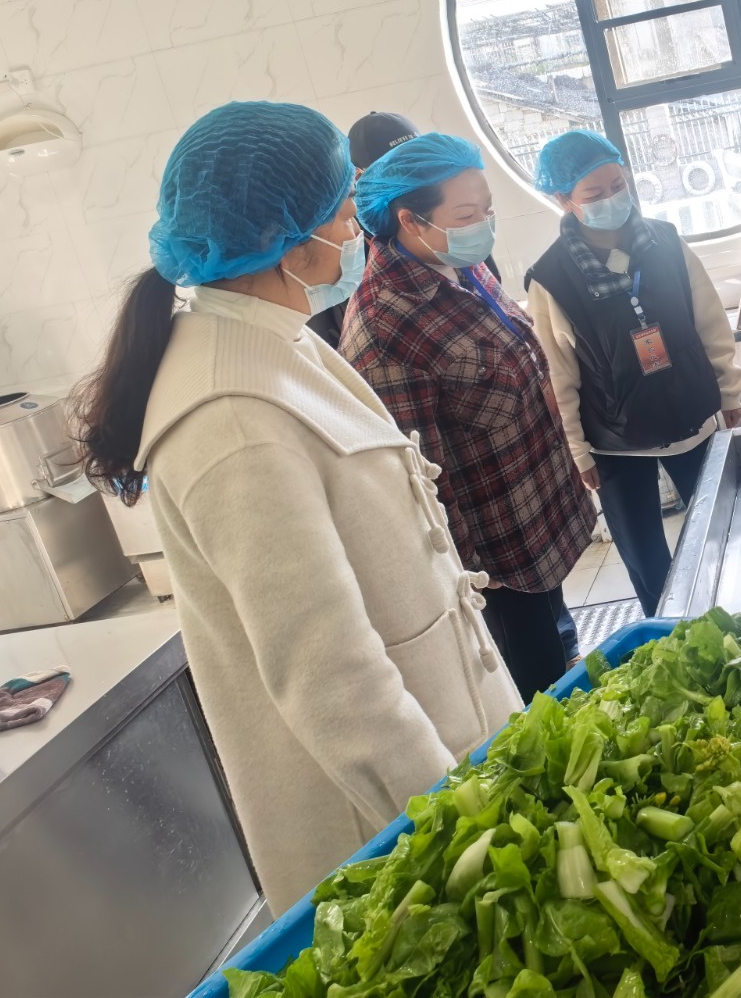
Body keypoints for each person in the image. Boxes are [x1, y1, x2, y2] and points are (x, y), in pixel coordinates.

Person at [72, 102, 517, 914]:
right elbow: (333, 681)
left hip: (449, 753)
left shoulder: (277, 338)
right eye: (345, 215)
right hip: (396, 829)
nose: (357, 236)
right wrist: (466, 833)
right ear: (285, 240)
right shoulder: (231, 418)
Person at [341, 133, 595, 697]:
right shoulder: (385, 329)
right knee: (535, 686)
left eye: (487, 209)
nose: (483, 225)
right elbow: (419, 482)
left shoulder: (460, 263)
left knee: (557, 641)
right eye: (466, 214)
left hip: (533, 512)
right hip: (494, 559)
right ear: (410, 221)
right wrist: (469, 579)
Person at [525, 130, 741, 618]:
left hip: (690, 415)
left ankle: (734, 618)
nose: (611, 199)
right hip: (614, 441)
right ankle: (669, 636)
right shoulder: (551, 278)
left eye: (618, 185)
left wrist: (729, 390)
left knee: (722, 531)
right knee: (647, 559)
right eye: (594, 193)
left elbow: (709, 321)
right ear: (563, 200)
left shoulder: (666, 241)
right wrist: (577, 449)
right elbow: (558, 374)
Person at [307, 111, 504, 347]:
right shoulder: (348, 256)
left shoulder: (453, 231)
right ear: (359, 178)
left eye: (422, 163)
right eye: (400, 170)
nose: (418, 181)